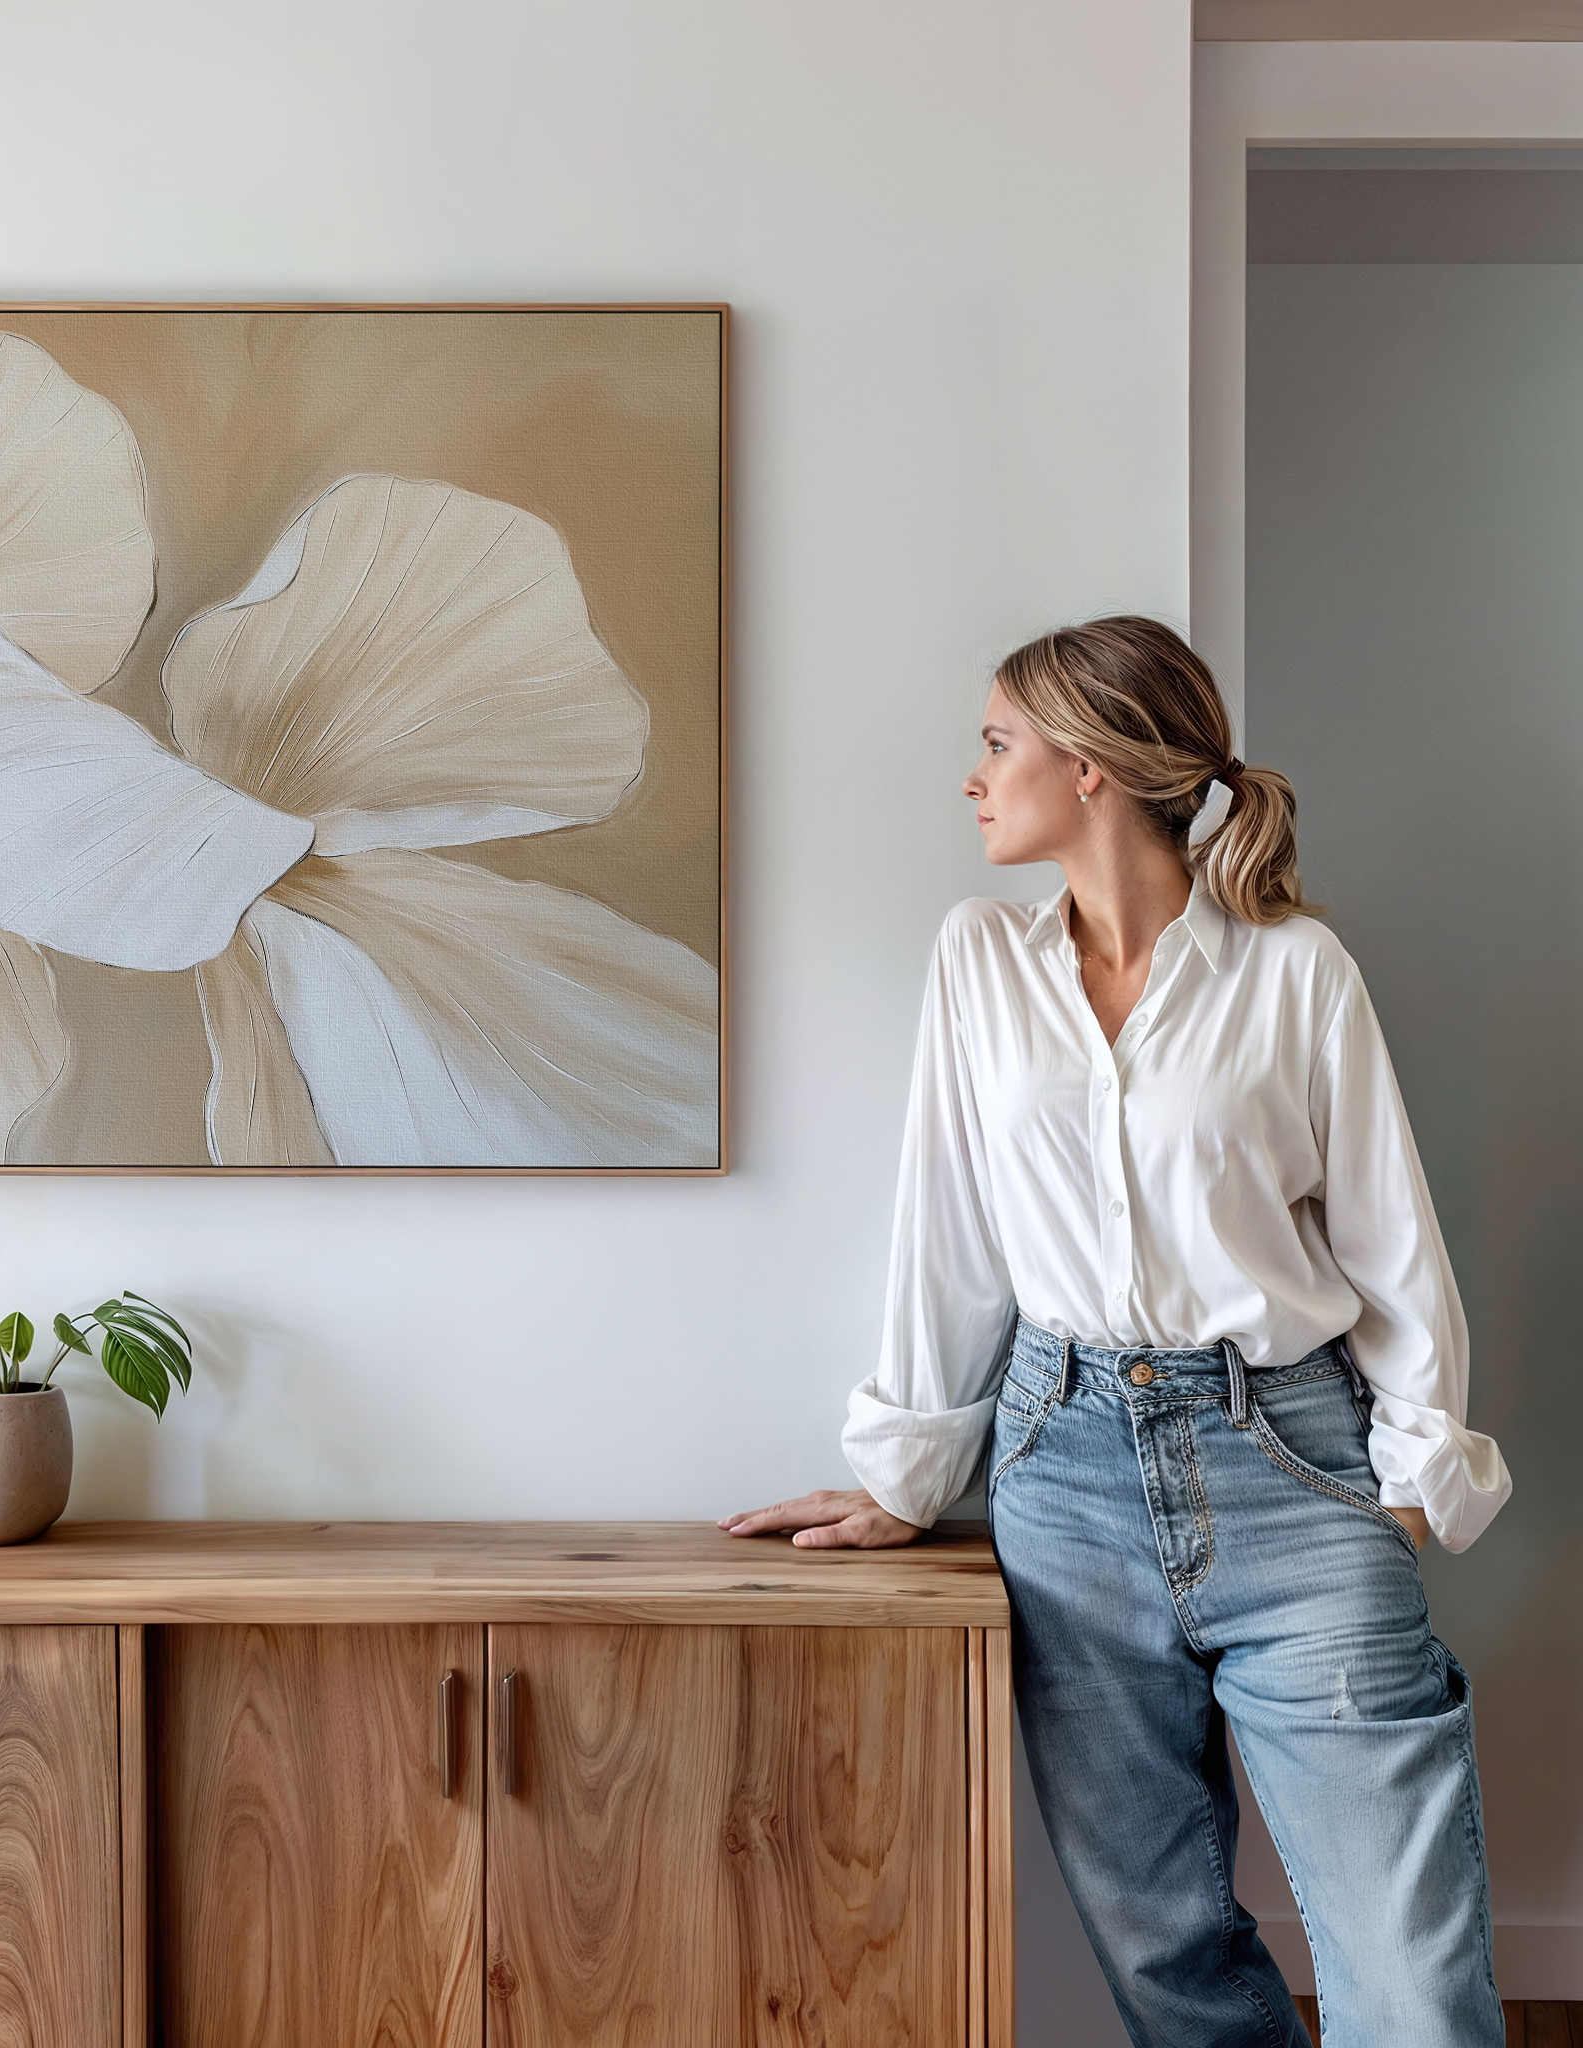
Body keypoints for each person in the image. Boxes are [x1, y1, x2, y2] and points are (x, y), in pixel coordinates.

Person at [721, 617, 1511, 2048]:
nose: (973, 777)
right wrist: (909, 1474)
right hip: (1062, 1470)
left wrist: (1407, 1481)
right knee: (1165, 1958)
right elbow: (946, 1232)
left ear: (1089, 769)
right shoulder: (979, 963)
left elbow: (1394, 1244)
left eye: (996, 742)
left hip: (1293, 1459)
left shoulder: (1295, 972)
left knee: (1408, 1973)